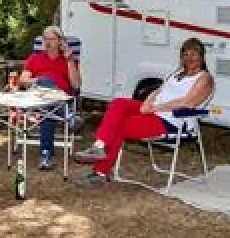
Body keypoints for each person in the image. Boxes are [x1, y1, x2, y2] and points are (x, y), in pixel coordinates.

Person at [73, 37, 214, 184]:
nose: (189, 58)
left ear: (202, 56)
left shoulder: (204, 78)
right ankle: (99, 146)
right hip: (153, 110)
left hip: (172, 120)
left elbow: (187, 103)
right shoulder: (177, 74)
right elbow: (158, 90)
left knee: (121, 125)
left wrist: (155, 108)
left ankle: (100, 173)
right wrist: (147, 102)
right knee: (118, 103)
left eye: (194, 54)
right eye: (186, 54)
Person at [18, 25, 81, 170]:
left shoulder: (69, 60)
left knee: (47, 112)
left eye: (51, 39)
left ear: (60, 41)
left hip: (59, 100)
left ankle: (46, 155)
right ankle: (69, 117)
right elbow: (22, 80)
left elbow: (76, 85)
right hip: (38, 97)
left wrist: (70, 61)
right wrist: (39, 81)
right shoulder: (35, 58)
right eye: (45, 38)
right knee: (45, 82)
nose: (47, 42)